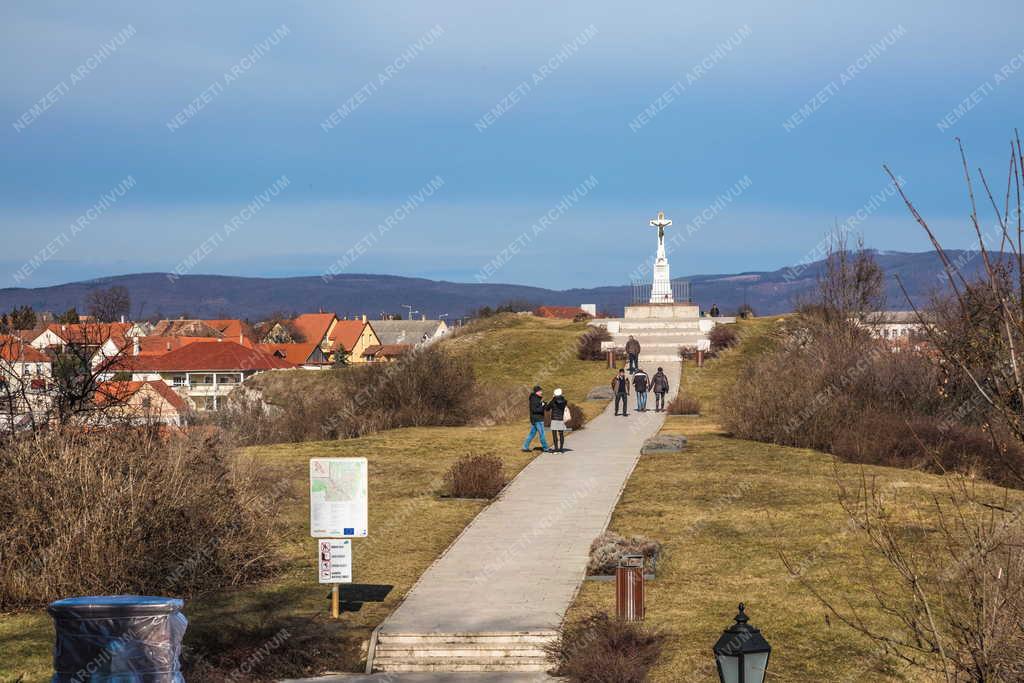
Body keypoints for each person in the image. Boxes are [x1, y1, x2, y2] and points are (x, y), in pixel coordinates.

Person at [522, 385, 550, 452]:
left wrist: (544, 404)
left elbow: (538, 407)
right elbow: (535, 410)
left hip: (535, 419)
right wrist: (542, 406)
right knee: (542, 434)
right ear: (536, 392)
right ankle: (546, 448)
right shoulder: (534, 399)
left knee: (532, 434)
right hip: (538, 419)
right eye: (540, 391)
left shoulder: (536, 398)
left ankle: (525, 447)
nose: (541, 392)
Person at [548, 388, 570, 452]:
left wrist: (553, 398)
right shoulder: (564, 401)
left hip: (554, 419)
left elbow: (547, 408)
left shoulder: (553, 401)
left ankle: (556, 449)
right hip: (560, 419)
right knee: (561, 434)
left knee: (554, 435)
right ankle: (561, 449)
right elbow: (562, 401)